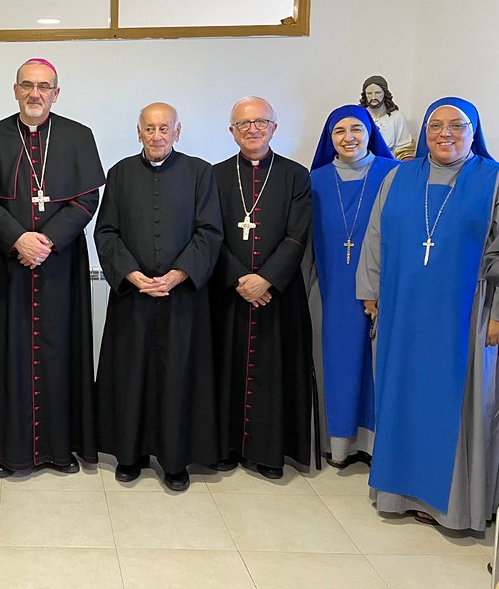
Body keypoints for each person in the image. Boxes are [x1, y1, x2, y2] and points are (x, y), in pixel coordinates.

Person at [356, 97, 499, 531]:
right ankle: (399, 495)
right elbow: (375, 237)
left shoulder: (493, 180)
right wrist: (370, 293)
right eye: (436, 125)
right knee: (402, 398)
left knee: (460, 408)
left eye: (457, 125)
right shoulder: (398, 177)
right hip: (402, 312)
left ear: (474, 132)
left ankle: (455, 507)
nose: (445, 133)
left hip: (467, 317)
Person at [0, 58, 105, 477]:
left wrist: (48, 241)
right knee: (8, 355)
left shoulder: (79, 136)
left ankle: (62, 450)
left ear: (56, 93)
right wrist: (18, 239)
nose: (35, 93)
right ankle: (6, 451)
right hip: (8, 266)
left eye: (44, 86)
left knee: (61, 354)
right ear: (15, 89)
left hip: (60, 266)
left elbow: (86, 200)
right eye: (27, 85)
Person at [94, 103, 223, 491]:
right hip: (133, 297)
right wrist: (133, 276)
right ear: (138, 133)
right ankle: (129, 455)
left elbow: (209, 231)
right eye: (149, 128)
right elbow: (106, 233)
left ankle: (174, 460)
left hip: (182, 297)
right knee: (130, 374)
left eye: (164, 128)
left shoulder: (199, 172)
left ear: (177, 132)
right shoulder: (118, 174)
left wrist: (177, 275)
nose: (157, 135)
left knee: (178, 376)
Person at [210, 96, 313, 479]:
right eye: (243, 123)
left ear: (274, 127)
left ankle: (269, 452)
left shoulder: (296, 175)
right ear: (232, 131)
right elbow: (210, 235)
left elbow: (298, 234)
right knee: (225, 368)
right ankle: (224, 446)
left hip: (278, 295)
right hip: (228, 293)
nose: (252, 129)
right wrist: (240, 279)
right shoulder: (215, 176)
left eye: (261, 122)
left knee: (274, 370)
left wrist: (266, 279)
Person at [308, 105, 398, 469]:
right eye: (339, 131)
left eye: (357, 129)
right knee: (335, 363)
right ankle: (339, 446)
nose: (349, 138)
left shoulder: (395, 174)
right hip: (329, 288)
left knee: (378, 368)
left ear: (371, 132)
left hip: (382, 291)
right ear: (329, 139)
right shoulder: (313, 180)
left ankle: (378, 448)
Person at [359, 75, 415, 160]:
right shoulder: (360, 116)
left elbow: (404, 148)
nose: (373, 97)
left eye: (378, 93)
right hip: (363, 162)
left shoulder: (396, 117)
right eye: (369, 93)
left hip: (389, 163)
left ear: (385, 93)